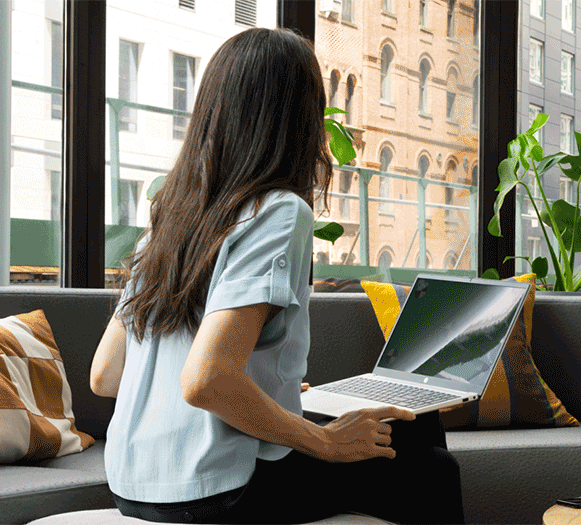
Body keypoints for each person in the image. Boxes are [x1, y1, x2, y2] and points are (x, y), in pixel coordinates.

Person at [89, 28, 463, 525]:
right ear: (298, 118)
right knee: (417, 444)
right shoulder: (279, 210)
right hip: (224, 490)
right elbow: (205, 381)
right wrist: (324, 441)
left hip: (133, 486)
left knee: (385, 436)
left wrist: (269, 400)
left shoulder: (170, 215)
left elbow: (106, 375)